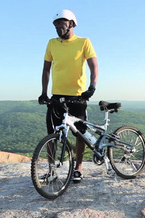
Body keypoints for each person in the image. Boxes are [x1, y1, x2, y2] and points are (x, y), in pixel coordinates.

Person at [38, 9, 99, 183]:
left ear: (71, 24)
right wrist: (44, 92)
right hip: (57, 96)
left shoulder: (83, 42)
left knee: (79, 134)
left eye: (61, 23)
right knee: (53, 134)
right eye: (56, 24)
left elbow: (94, 66)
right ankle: (52, 170)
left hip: (78, 96)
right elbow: (46, 69)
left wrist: (91, 88)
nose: (58, 27)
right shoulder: (51, 43)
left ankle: (78, 169)